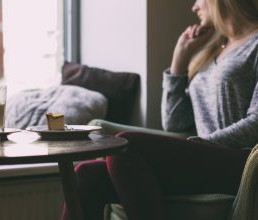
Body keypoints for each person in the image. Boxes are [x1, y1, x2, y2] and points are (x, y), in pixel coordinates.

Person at [61, 0, 258, 219]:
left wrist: (199, 145)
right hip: (204, 156)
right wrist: (179, 62)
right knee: (85, 175)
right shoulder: (214, 47)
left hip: (244, 162)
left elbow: (256, 123)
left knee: (126, 144)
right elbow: (175, 123)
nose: (194, 7)